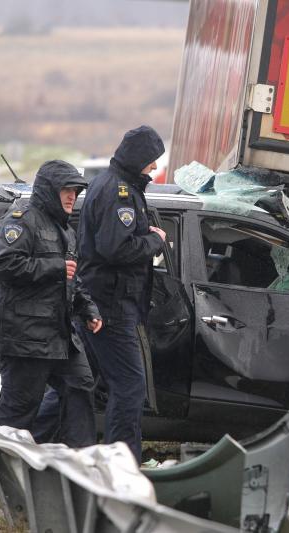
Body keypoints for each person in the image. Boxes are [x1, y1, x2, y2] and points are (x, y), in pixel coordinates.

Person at [0, 159, 102, 448]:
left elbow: (71, 280)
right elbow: (3, 264)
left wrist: (87, 308)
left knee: (80, 387)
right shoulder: (21, 219)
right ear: (48, 190)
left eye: (76, 191)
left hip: (61, 335)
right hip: (26, 337)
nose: (72, 196)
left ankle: (81, 461)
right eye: (66, 189)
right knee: (18, 411)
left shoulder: (67, 231)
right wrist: (53, 266)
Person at [77, 125, 167, 461]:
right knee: (129, 387)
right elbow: (115, 248)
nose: (154, 168)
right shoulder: (119, 192)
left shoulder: (113, 184)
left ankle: (30, 441)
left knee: (77, 383)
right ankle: (121, 463)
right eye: (151, 161)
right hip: (111, 307)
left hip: (101, 302)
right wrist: (155, 239)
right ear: (138, 159)